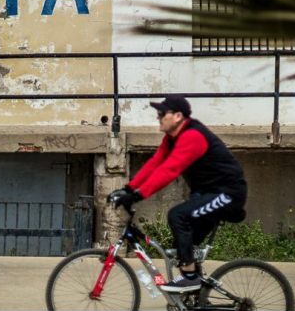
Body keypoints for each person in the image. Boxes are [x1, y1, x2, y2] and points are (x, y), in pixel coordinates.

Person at [106, 96, 248, 293]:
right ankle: (194, 289)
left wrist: (138, 196)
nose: (159, 117)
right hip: (205, 193)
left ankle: (190, 278)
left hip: (227, 193)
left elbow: (170, 170)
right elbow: (155, 163)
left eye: (163, 113)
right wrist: (129, 189)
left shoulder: (193, 136)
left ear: (178, 116)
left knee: (177, 215)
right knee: (182, 244)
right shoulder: (171, 138)